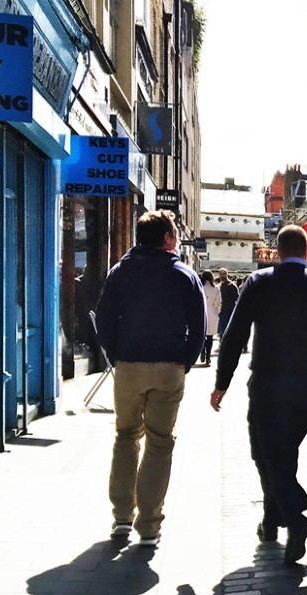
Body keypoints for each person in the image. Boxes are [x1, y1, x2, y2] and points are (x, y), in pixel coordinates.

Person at [211, 224, 307, 566]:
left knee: (271, 455)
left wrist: (222, 381)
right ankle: (272, 522)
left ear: (277, 251)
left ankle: (296, 520)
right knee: (276, 453)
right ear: (306, 252)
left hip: (268, 383)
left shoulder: (260, 283)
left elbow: (233, 336)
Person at [95, 210, 205, 547]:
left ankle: (121, 519)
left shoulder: (120, 272)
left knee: (126, 436)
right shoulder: (183, 275)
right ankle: (148, 526)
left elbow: (103, 317)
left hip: (128, 364)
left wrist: (116, 355)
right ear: (169, 239)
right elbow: (199, 326)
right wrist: (184, 362)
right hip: (168, 366)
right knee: (159, 442)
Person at [199, 270, 222, 367]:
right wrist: (217, 311)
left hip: (201, 312)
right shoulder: (216, 288)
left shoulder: (200, 286)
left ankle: (202, 351)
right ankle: (208, 356)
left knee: (202, 335)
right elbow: (219, 302)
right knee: (210, 337)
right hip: (212, 313)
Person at [217, 267, 239, 339]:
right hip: (221, 312)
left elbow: (237, 298)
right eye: (221, 274)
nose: (222, 276)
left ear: (227, 274)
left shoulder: (232, 286)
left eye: (224, 274)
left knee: (228, 331)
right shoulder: (218, 287)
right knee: (221, 331)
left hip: (230, 311)